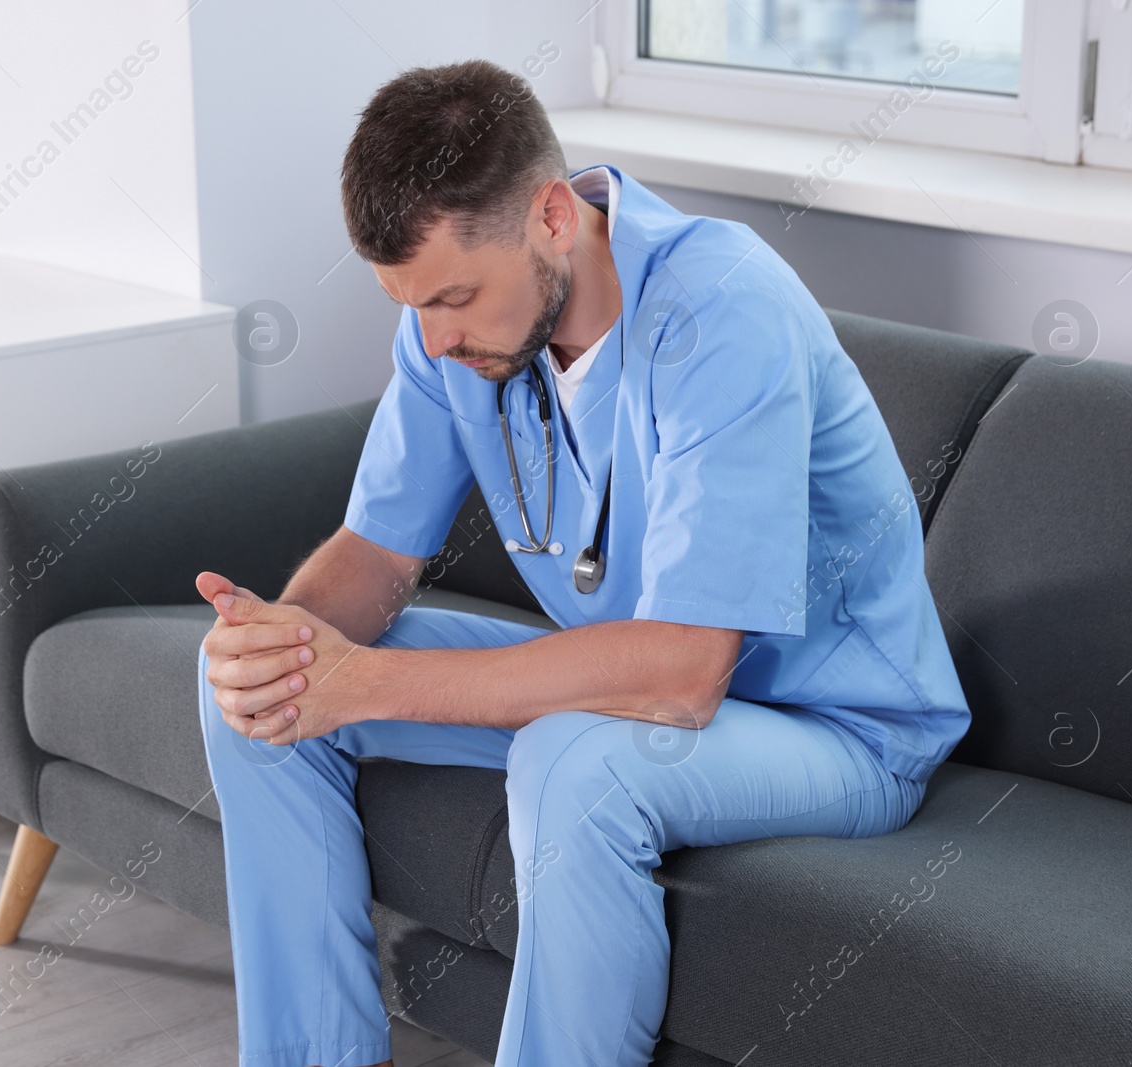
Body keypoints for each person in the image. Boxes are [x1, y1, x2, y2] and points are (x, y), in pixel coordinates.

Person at [195, 57, 970, 1067]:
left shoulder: (721, 310)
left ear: (552, 217)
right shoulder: (453, 336)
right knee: (266, 688)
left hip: (835, 730)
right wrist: (281, 640)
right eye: (412, 305)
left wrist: (370, 680)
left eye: (455, 299)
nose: (432, 341)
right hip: (624, 686)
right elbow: (377, 552)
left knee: (572, 763)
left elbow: (686, 674)